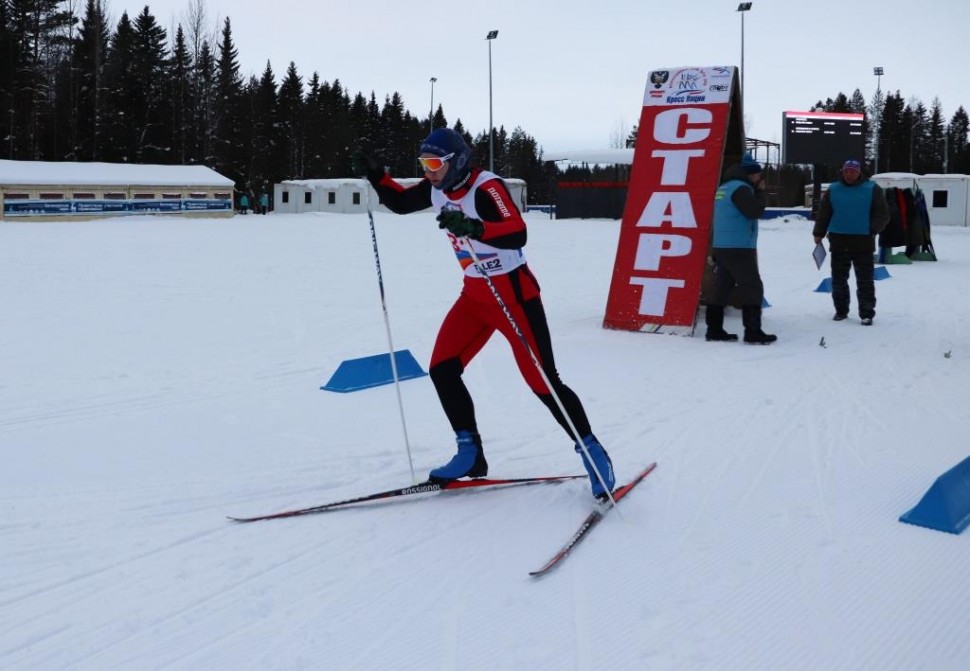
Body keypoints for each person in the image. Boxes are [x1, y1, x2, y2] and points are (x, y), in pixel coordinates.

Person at [352, 128, 615, 500]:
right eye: (423, 164)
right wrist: (376, 175)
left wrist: (475, 227)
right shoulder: (437, 188)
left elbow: (516, 232)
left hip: (514, 296)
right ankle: (470, 454)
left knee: (544, 382)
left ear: (456, 161)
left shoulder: (486, 187)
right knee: (442, 369)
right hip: (475, 296)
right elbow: (399, 203)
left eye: (434, 164)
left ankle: (592, 452)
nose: (428, 172)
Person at [706, 153, 776, 344]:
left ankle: (714, 329)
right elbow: (755, 211)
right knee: (752, 286)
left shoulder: (724, 188)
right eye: (757, 176)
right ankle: (753, 332)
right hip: (738, 246)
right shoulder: (741, 189)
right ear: (750, 175)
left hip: (722, 245)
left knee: (723, 286)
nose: (759, 179)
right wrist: (761, 193)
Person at [813, 159, 890, 325]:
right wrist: (819, 232)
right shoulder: (833, 189)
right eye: (846, 171)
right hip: (838, 241)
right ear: (842, 172)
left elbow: (882, 213)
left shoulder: (872, 188)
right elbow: (824, 213)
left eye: (852, 171)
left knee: (865, 281)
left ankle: (867, 313)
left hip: (863, 242)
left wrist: (871, 229)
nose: (849, 174)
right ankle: (841, 310)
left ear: (859, 172)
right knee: (839, 279)